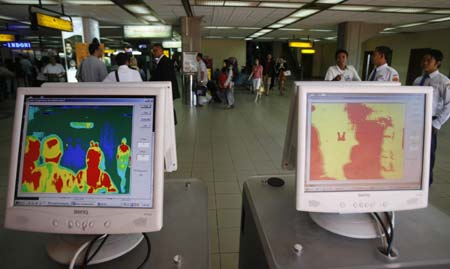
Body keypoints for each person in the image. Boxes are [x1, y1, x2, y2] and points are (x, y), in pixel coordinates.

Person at [412, 49, 450, 185]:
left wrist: (437, 123)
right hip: (415, 118)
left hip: (431, 120)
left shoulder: (443, 81)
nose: (425, 63)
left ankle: (427, 180)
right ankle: (414, 175)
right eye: (424, 60)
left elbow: (448, 105)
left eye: (429, 60)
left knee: (428, 151)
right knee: (414, 148)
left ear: (437, 63)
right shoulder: (417, 80)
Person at [150, 43, 180, 124]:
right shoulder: (162, 61)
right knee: (168, 107)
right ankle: (171, 122)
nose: (154, 52)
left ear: (160, 50)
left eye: (155, 50)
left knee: (168, 107)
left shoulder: (165, 62)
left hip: (166, 90)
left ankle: (172, 122)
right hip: (166, 90)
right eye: (153, 51)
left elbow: (166, 78)